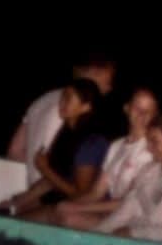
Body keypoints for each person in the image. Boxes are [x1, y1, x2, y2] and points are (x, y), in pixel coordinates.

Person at [0, 78, 109, 220]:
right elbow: (51, 179)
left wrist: (45, 170)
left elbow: (81, 194)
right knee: (4, 212)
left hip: (85, 209)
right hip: (59, 197)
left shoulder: (91, 143)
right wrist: (16, 202)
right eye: (62, 97)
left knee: (17, 222)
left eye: (68, 98)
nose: (62, 102)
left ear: (86, 107)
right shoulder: (66, 132)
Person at [54, 87, 159, 231]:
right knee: (58, 210)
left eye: (148, 111)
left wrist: (79, 208)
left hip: (136, 223)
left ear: (155, 116)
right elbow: (97, 192)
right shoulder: (116, 146)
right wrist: (72, 203)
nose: (142, 114)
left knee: (68, 218)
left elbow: (129, 204)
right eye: (137, 107)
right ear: (127, 108)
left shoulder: (153, 151)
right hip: (116, 214)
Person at [7, 54, 117, 185]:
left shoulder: (43, 99)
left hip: (33, 184)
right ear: (95, 72)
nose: (110, 87)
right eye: (109, 80)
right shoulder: (73, 110)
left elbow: (14, 150)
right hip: (51, 189)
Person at [96, 111, 162, 245]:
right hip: (134, 243)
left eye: (155, 141)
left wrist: (133, 233)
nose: (149, 147)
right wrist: (97, 234)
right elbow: (127, 210)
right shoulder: (150, 171)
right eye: (148, 141)